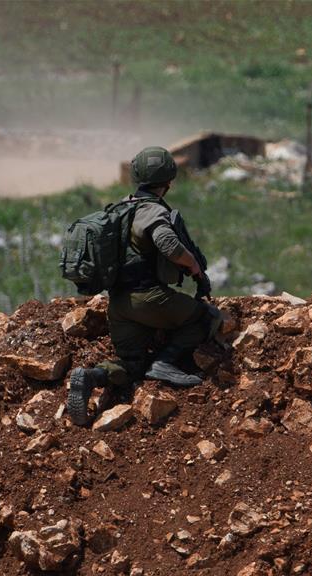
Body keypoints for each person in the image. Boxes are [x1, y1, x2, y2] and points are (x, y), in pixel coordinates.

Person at [67, 146, 220, 425]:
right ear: (169, 180)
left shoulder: (122, 207)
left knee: (132, 365)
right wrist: (192, 265)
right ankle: (166, 362)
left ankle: (91, 376)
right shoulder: (150, 210)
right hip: (148, 298)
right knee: (205, 317)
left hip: (119, 304)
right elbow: (167, 243)